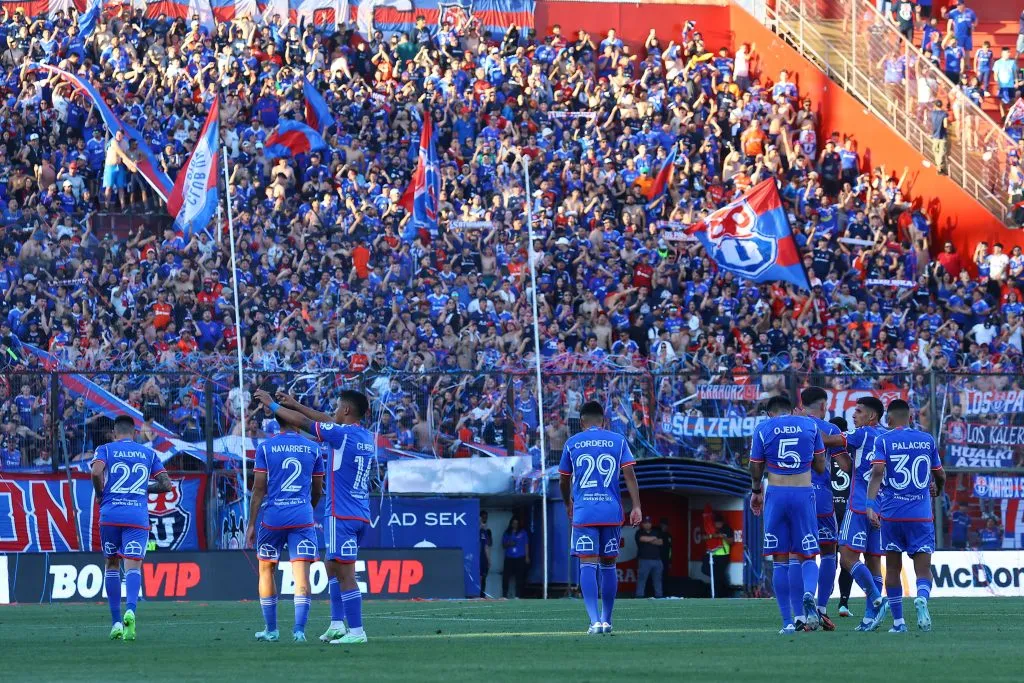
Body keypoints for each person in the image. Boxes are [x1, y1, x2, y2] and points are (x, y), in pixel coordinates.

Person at [257, 387, 373, 645]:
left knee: (344, 574)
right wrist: (296, 403)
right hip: (361, 513)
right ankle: (335, 624)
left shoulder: (341, 436)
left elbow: (309, 423)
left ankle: (356, 632)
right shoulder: (364, 435)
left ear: (345, 410)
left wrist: (273, 405)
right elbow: (323, 419)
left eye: (336, 408)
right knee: (332, 568)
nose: (332, 412)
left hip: (340, 514)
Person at [559, 400, 642, 635]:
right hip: (611, 511)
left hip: (584, 511)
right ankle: (607, 620)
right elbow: (630, 475)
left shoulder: (572, 443)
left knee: (587, 563)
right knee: (608, 566)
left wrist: (568, 503)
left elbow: (563, 479)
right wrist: (636, 506)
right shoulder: (617, 440)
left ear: (582, 422)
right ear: (604, 421)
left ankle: (594, 621)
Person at [90, 415, 172, 641]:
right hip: (137, 515)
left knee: (112, 564)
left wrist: (100, 494)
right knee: (133, 566)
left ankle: (116, 622)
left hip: (110, 514)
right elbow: (167, 484)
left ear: (115, 434)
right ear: (135, 433)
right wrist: (144, 490)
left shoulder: (105, 449)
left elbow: (96, 472)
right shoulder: (148, 453)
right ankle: (131, 611)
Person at [749, 394, 826, 634]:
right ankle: (807, 594)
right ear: (791, 410)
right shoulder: (810, 425)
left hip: (777, 493)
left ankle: (788, 622)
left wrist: (755, 491)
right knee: (808, 556)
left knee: (780, 560)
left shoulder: (763, 428)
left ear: (770, 412)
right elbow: (821, 466)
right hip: (803, 492)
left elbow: (755, 466)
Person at [866, 399, 945, 632]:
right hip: (921, 515)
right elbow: (940, 475)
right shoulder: (927, 439)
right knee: (923, 569)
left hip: (892, 515)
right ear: (911, 417)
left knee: (892, 568)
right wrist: (937, 489)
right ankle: (921, 597)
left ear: (888, 419)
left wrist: (871, 505)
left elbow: (878, 471)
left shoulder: (883, 440)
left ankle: (899, 622)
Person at [245, 419, 325, 642]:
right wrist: (307, 509)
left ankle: (271, 630)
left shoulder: (265, 447)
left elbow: (258, 489)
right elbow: (317, 489)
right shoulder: (313, 448)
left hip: (273, 519)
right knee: (301, 574)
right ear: (297, 423)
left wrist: (251, 524)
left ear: (277, 423)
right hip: (302, 517)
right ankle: (299, 631)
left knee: (266, 571)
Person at [823, 396, 889, 631]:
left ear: (871, 417)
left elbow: (827, 439)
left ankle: (876, 599)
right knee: (873, 562)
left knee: (847, 558)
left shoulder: (862, 433)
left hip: (860, 505)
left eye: (858, 411)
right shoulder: (887, 437)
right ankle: (870, 618)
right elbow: (852, 465)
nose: (854, 415)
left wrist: (810, 423)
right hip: (883, 508)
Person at [797, 387, 845, 630]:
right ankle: (822, 607)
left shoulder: (793, 425)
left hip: (796, 494)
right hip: (823, 498)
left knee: (800, 555)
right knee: (828, 552)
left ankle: (800, 611)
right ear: (824, 407)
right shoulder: (831, 429)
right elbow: (846, 465)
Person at [829, 416, 856, 617]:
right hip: (849, 509)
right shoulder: (854, 450)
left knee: (829, 558)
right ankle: (843, 603)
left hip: (827, 509)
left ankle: (821, 601)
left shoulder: (822, 451)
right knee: (848, 559)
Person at [635, 516, 664, 598]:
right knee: (642, 580)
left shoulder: (656, 532)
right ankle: (639, 597)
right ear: (642, 524)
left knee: (657, 580)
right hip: (644, 560)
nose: (647, 524)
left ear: (651, 524)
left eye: (649, 523)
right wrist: (653, 539)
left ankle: (659, 596)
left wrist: (649, 540)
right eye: (645, 523)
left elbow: (660, 542)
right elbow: (642, 539)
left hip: (657, 560)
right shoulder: (639, 532)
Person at [501, 518, 530, 598]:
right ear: (511, 524)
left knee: (519, 577)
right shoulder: (507, 533)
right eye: (513, 523)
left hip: (520, 557)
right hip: (509, 558)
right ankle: (504, 595)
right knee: (506, 577)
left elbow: (526, 545)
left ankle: (517, 595)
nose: (515, 525)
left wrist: (527, 557)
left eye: (516, 523)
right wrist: (509, 543)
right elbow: (503, 545)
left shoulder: (523, 532)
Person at [929, 99, 948, 175]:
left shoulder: (933, 113)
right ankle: (939, 166)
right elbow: (945, 125)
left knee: (935, 150)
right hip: (942, 135)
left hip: (935, 135)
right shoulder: (944, 114)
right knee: (941, 152)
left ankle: (939, 166)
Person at [479, 511, 493, 598]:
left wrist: (489, 560)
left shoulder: (485, 532)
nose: (484, 520)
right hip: (477, 558)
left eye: (485, 518)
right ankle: (476, 595)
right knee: (479, 577)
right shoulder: (473, 531)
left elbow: (487, 546)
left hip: (483, 558)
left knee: (483, 578)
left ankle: (482, 595)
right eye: (482, 518)